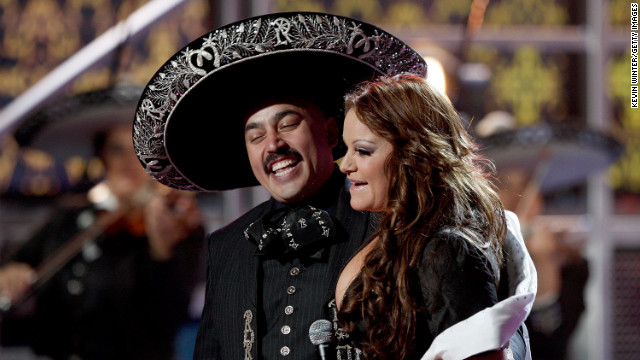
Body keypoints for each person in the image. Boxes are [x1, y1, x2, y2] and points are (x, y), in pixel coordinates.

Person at [130, 12, 532, 360]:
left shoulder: (399, 226)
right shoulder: (228, 246)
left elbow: (493, 336)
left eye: (288, 124)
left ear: (328, 132)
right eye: (256, 136)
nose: (274, 145)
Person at [335, 74, 535, 360]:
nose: (346, 165)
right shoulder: (391, 231)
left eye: (363, 151)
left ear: (413, 153)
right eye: (347, 149)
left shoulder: (446, 252)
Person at [0, 123, 204, 360]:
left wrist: (161, 249)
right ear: (103, 157)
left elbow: (170, 314)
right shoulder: (69, 217)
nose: (130, 161)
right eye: (117, 150)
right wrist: (10, 275)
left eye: (140, 150)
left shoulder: (177, 222)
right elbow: (17, 263)